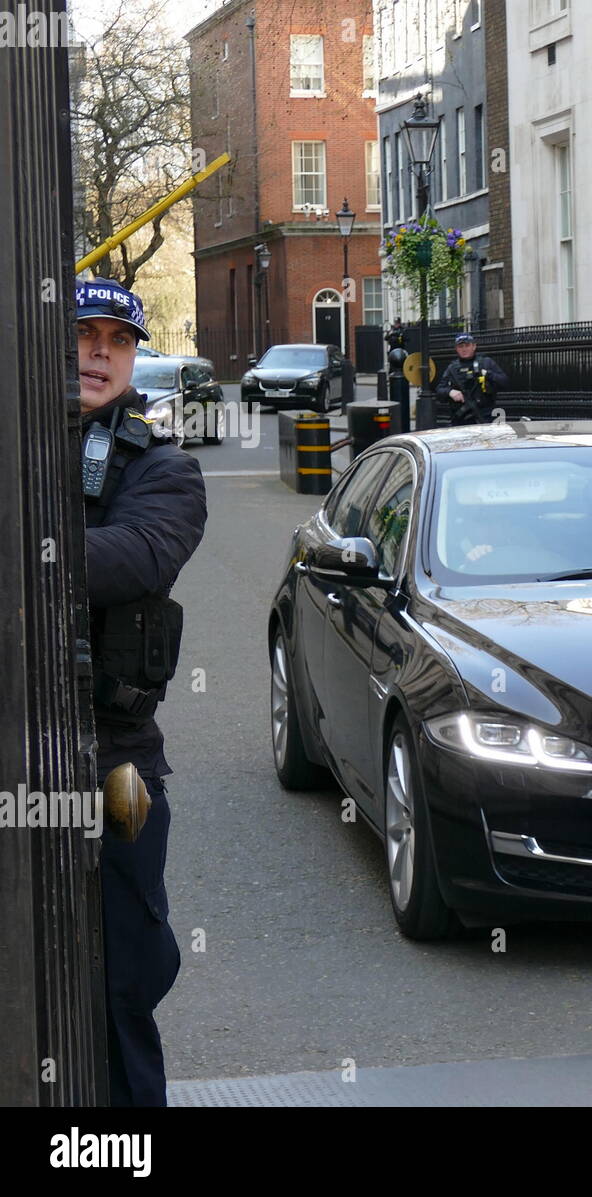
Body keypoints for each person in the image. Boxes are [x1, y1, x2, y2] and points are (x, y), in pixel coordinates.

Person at [77, 278, 207, 1107]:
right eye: (81, 333)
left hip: (117, 761)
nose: (96, 351)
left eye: (115, 340)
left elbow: (132, 556)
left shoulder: (165, 468)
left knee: (126, 974)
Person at [434, 332, 508, 426]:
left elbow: (504, 382)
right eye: (461, 346)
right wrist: (450, 392)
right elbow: (439, 390)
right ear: (456, 349)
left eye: (467, 345)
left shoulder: (486, 363)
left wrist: (488, 374)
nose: (464, 349)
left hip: (485, 415)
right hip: (461, 419)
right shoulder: (452, 368)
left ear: (474, 346)